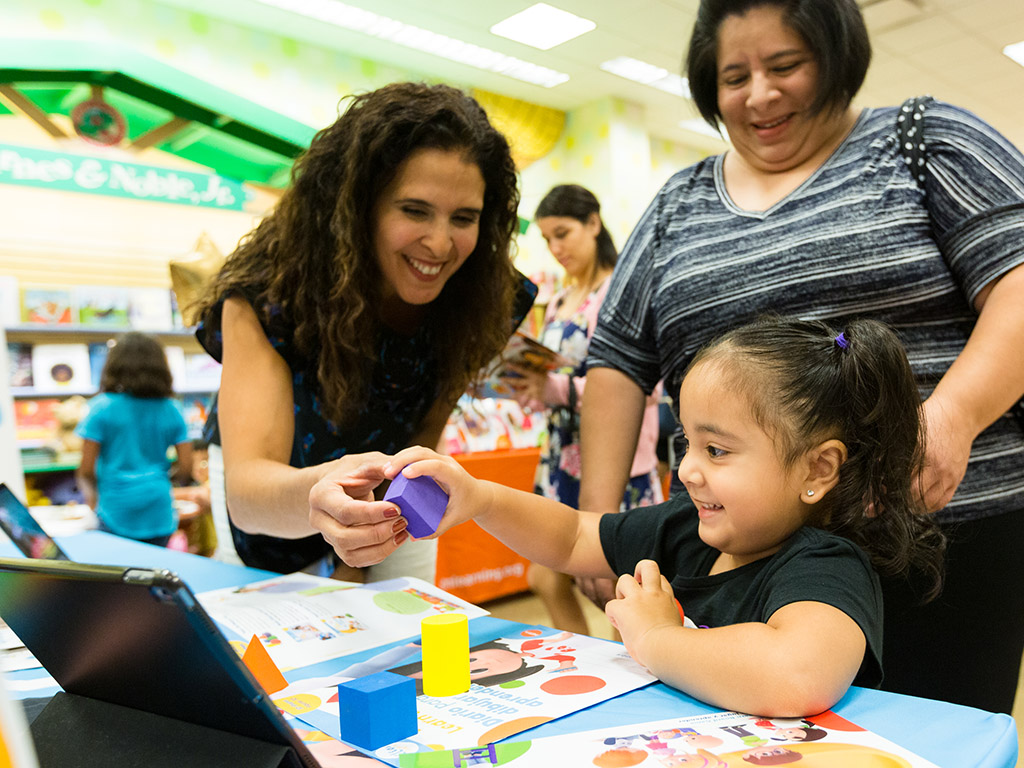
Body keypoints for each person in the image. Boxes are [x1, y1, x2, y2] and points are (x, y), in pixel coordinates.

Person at [578, 0, 1024, 714]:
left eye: (785, 65)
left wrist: (953, 416)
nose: (759, 93)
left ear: (837, 58)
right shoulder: (676, 204)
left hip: (942, 537)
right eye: (734, 75)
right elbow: (617, 358)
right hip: (735, 556)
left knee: (932, 742)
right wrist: (599, 517)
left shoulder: (925, 140)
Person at [375, 316, 945, 716]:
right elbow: (574, 536)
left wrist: (656, 637)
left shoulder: (826, 565)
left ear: (817, 471)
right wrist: (482, 500)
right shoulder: (686, 529)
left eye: (717, 451)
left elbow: (796, 674)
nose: (690, 470)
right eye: (686, 444)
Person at [193, 82, 534, 581]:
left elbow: (424, 436)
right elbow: (249, 496)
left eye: (464, 218)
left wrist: (366, 546)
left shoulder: (482, 296)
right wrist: (329, 495)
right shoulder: (266, 294)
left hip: (392, 488)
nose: (440, 244)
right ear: (356, 207)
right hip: (278, 499)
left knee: (406, 627)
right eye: (414, 210)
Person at [505, 184, 662, 634]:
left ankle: (630, 670)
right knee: (545, 572)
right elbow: (557, 373)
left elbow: (643, 386)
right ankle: (583, 657)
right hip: (560, 455)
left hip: (614, 457)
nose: (556, 248)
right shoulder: (558, 297)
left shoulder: (619, 291)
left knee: (621, 583)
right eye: (548, 239)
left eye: (564, 234)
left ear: (593, 224)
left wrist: (554, 388)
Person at [75, 332, 192, 546]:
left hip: (115, 509)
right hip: (159, 510)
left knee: (118, 575)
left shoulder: (101, 408)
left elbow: (86, 471)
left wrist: (93, 503)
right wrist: (161, 481)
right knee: (155, 573)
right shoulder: (172, 409)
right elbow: (186, 467)